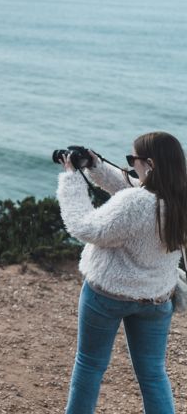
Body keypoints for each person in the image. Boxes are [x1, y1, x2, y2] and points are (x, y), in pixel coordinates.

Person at [57, 132, 187, 414]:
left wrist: (72, 179)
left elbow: (85, 227)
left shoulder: (136, 204)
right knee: (153, 375)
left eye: (133, 160)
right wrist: (96, 166)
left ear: (150, 164)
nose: (131, 165)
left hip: (107, 295)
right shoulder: (179, 201)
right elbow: (138, 188)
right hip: (156, 299)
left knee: (90, 365)